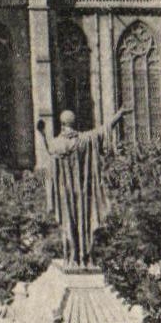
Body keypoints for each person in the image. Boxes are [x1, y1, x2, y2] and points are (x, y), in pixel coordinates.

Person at [36, 106, 129, 267]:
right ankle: (85, 257)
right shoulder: (85, 140)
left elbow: (50, 149)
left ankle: (72, 258)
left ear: (62, 123)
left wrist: (43, 134)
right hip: (83, 193)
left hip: (66, 193)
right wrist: (118, 115)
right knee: (84, 221)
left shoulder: (58, 144)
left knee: (69, 223)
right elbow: (104, 129)